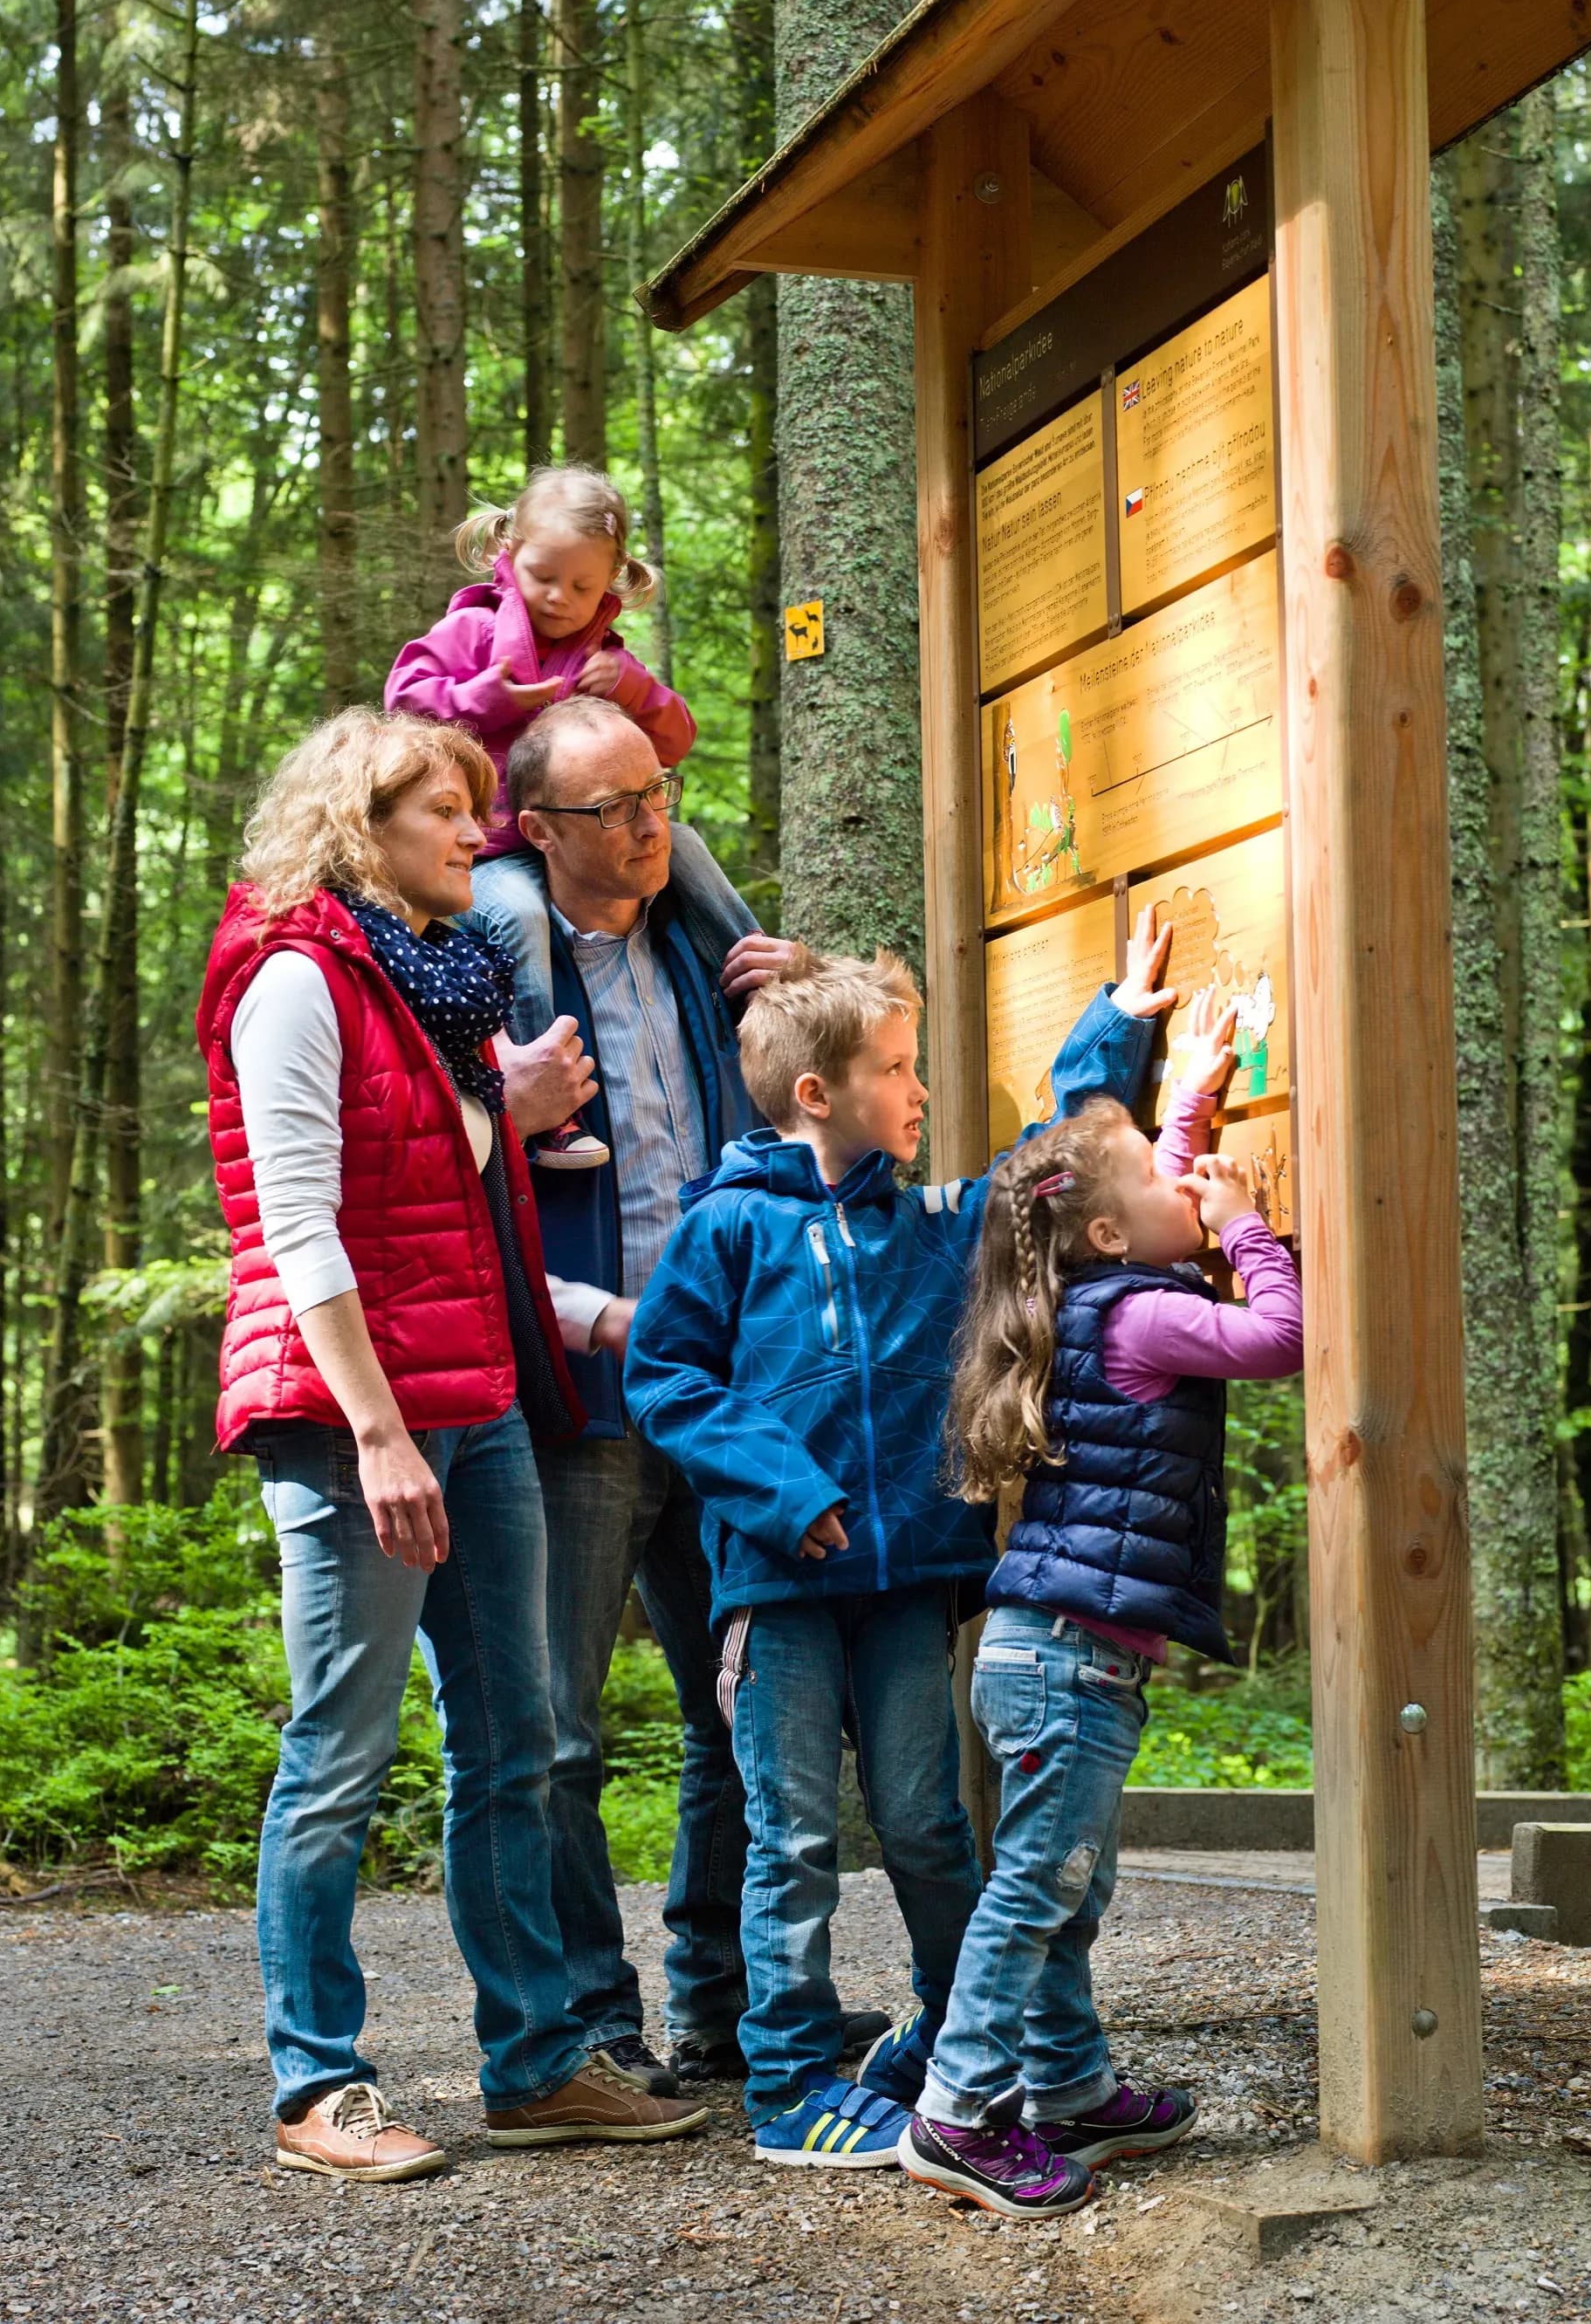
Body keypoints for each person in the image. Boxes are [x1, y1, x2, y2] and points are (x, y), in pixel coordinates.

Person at [198, 707, 706, 2182]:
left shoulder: (432, 991)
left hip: (478, 1402)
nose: (471, 836)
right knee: (341, 1755)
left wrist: (584, 1319)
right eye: (441, 812)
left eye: (478, 809)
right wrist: (379, 1432)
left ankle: (540, 2061)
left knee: (515, 1742)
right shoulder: (295, 980)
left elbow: (458, 1235)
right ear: (361, 827)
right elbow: (298, 1233)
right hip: (351, 1419)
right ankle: (318, 2086)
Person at [621, 929, 1176, 2169]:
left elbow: (1053, 1168)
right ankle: (790, 2080)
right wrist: (783, 1489)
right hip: (780, 1585)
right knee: (797, 1833)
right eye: (899, 1067)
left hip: (910, 1580)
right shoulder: (726, 1229)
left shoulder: (929, 1221)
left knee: (928, 1821)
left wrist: (1120, 1024)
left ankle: (953, 2030)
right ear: (820, 1093)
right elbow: (665, 1378)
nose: (922, 1090)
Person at [464, 695, 889, 2094]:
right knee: (560, 1727)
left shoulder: (713, 958)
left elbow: (802, 1107)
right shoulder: (499, 985)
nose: (649, 824)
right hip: (583, 1398)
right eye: (612, 808)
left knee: (742, 1711)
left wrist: (808, 978)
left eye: (656, 795)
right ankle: (594, 2018)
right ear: (536, 834)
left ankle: (727, 2003)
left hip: (728, 1394)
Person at [897, 988, 1304, 2218]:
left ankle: (1068, 2082)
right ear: (1120, 1235)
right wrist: (1248, 1230)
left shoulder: (1090, 1288)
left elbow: (1144, 1194)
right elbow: (1283, 1337)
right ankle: (960, 2113)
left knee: (1067, 1880)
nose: (1190, 1186)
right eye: (1170, 1185)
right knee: (1039, 1885)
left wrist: (1188, 1105)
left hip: (1050, 1655)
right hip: (1071, 1667)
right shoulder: (1149, 1317)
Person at [386, 463, 696, 1167]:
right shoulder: (474, 627)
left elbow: (675, 738)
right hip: (492, 849)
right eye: (543, 575)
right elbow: (402, 702)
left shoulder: (608, 658)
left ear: (612, 582)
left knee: (691, 857)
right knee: (521, 919)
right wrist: (484, 700)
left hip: (586, 842)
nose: (561, 598)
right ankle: (539, 1097)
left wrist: (637, 690)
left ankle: (778, 996)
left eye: (584, 586)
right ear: (509, 553)